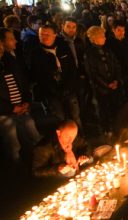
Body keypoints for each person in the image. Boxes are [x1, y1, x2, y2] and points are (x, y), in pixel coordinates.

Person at [0, 28, 40, 165]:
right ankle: (17, 169)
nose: (15, 41)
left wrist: (26, 102)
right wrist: (11, 108)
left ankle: (38, 160)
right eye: (11, 39)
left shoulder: (12, 60)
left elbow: (22, 83)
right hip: (6, 112)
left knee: (31, 132)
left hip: (21, 106)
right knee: (13, 142)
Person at [29, 24, 82, 129]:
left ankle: (80, 137)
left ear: (54, 35)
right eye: (41, 34)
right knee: (59, 119)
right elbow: (38, 75)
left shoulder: (63, 47)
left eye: (47, 34)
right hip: (52, 94)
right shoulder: (35, 53)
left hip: (68, 89)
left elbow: (72, 68)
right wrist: (53, 90)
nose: (44, 37)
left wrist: (69, 86)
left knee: (75, 116)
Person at [84, 26, 122, 137]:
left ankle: (117, 127)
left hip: (113, 85)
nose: (104, 38)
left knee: (115, 107)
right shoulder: (90, 53)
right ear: (95, 38)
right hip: (102, 89)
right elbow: (93, 73)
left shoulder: (107, 50)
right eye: (102, 36)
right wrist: (106, 84)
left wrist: (116, 80)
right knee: (104, 109)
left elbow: (116, 65)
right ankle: (107, 129)